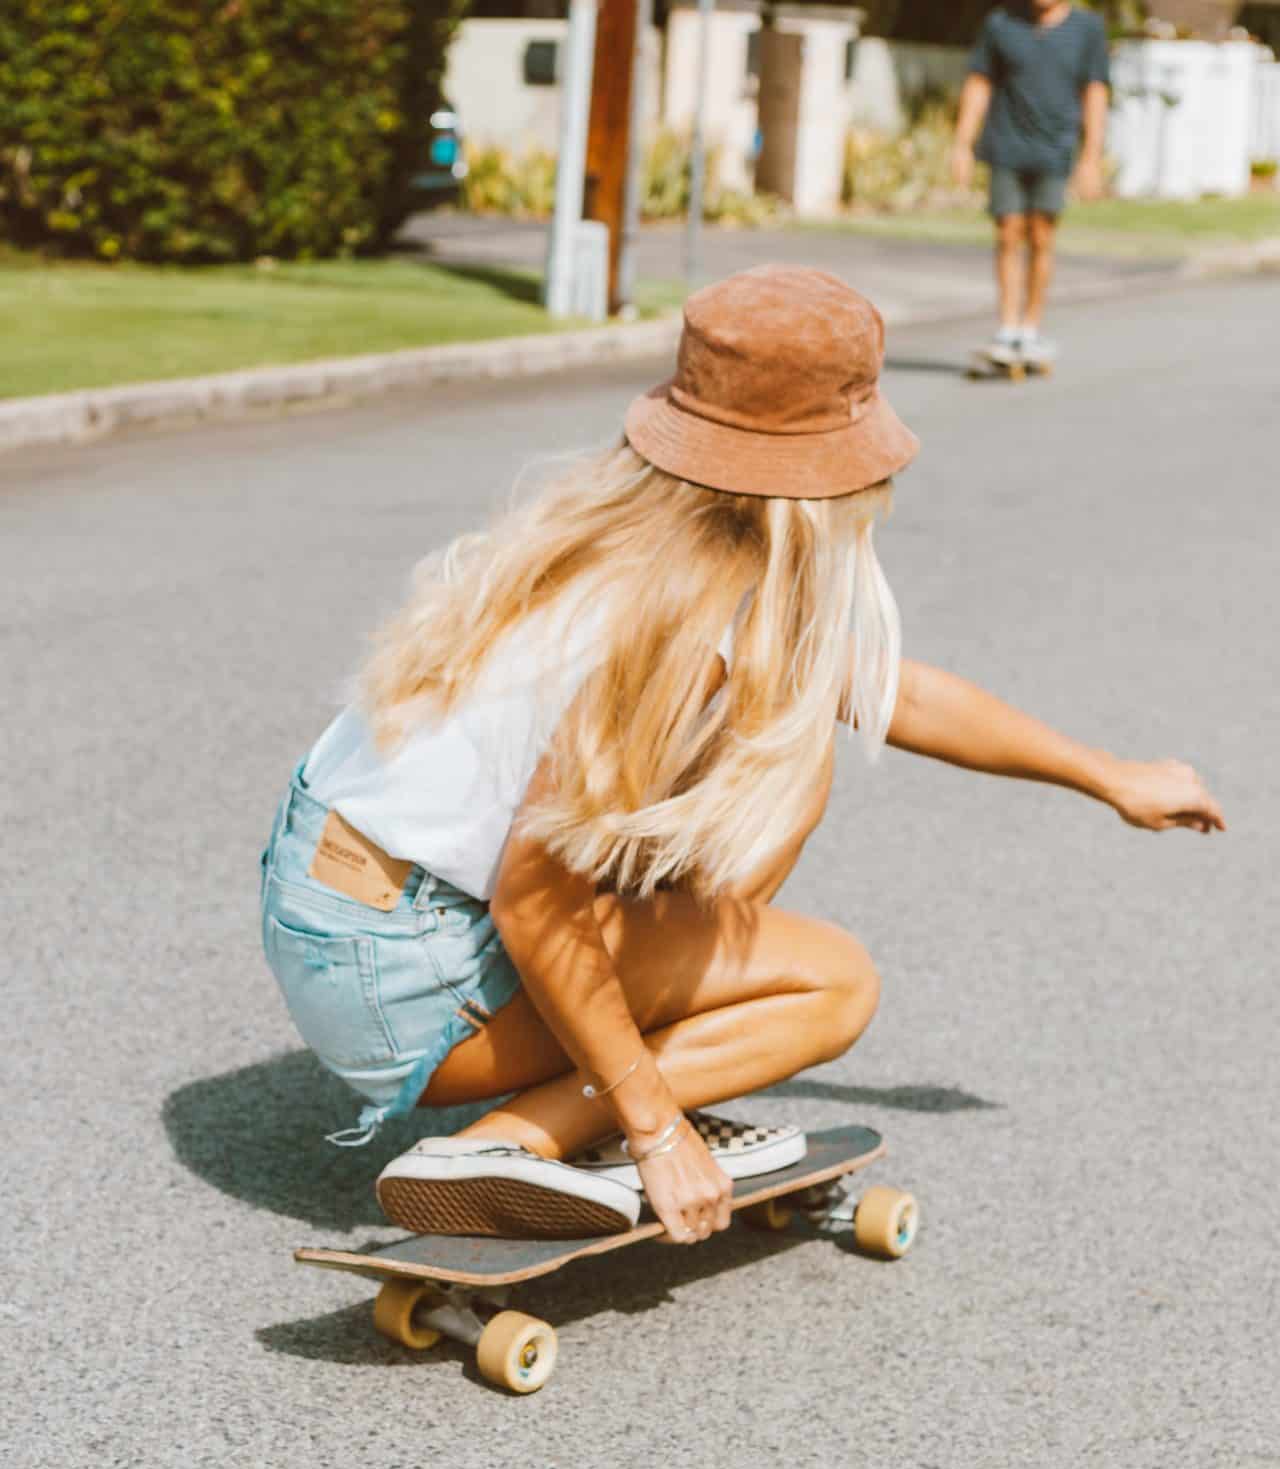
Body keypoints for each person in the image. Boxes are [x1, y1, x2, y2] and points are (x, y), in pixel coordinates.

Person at [259, 265, 1223, 1249]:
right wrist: (655, 1123)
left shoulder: (625, 534)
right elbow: (535, 902)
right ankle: (510, 1143)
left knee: (793, 729)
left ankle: (599, 1083)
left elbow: (897, 694)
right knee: (832, 981)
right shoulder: (666, 633)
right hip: (406, 978)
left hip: (335, 913)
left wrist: (1108, 776)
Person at [950, 1, 1111, 366]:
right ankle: (1007, 328)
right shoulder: (1001, 24)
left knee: (1041, 236)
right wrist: (962, 144)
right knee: (1008, 233)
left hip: (1055, 149)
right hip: (1006, 145)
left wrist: (1091, 156)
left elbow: (1095, 92)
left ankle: (1030, 329)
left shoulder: (1087, 29)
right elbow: (979, 82)